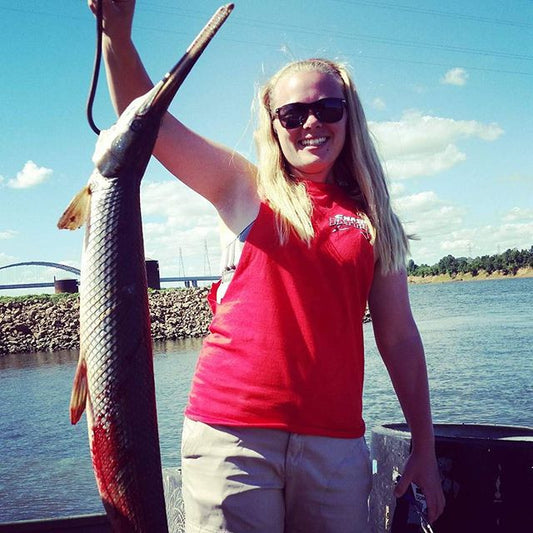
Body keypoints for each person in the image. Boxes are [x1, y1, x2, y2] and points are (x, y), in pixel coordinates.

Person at [89, 1, 446, 532]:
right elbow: (150, 128)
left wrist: (425, 445)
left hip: (335, 444)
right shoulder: (245, 188)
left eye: (328, 109)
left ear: (349, 115)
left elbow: (397, 336)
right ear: (274, 125)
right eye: (293, 114)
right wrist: (117, 36)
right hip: (230, 437)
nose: (312, 123)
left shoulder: (374, 219)